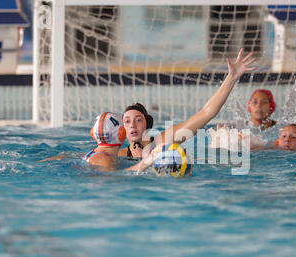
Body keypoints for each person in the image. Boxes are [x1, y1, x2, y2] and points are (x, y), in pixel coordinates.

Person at [40, 48, 257, 169]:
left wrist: (231, 77)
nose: (132, 124)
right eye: (126, 121)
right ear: (121, 131)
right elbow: (75, 157)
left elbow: (206, 114)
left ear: (147, 124)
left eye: (138, 119)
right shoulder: (118, 154)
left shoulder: (162, 141)